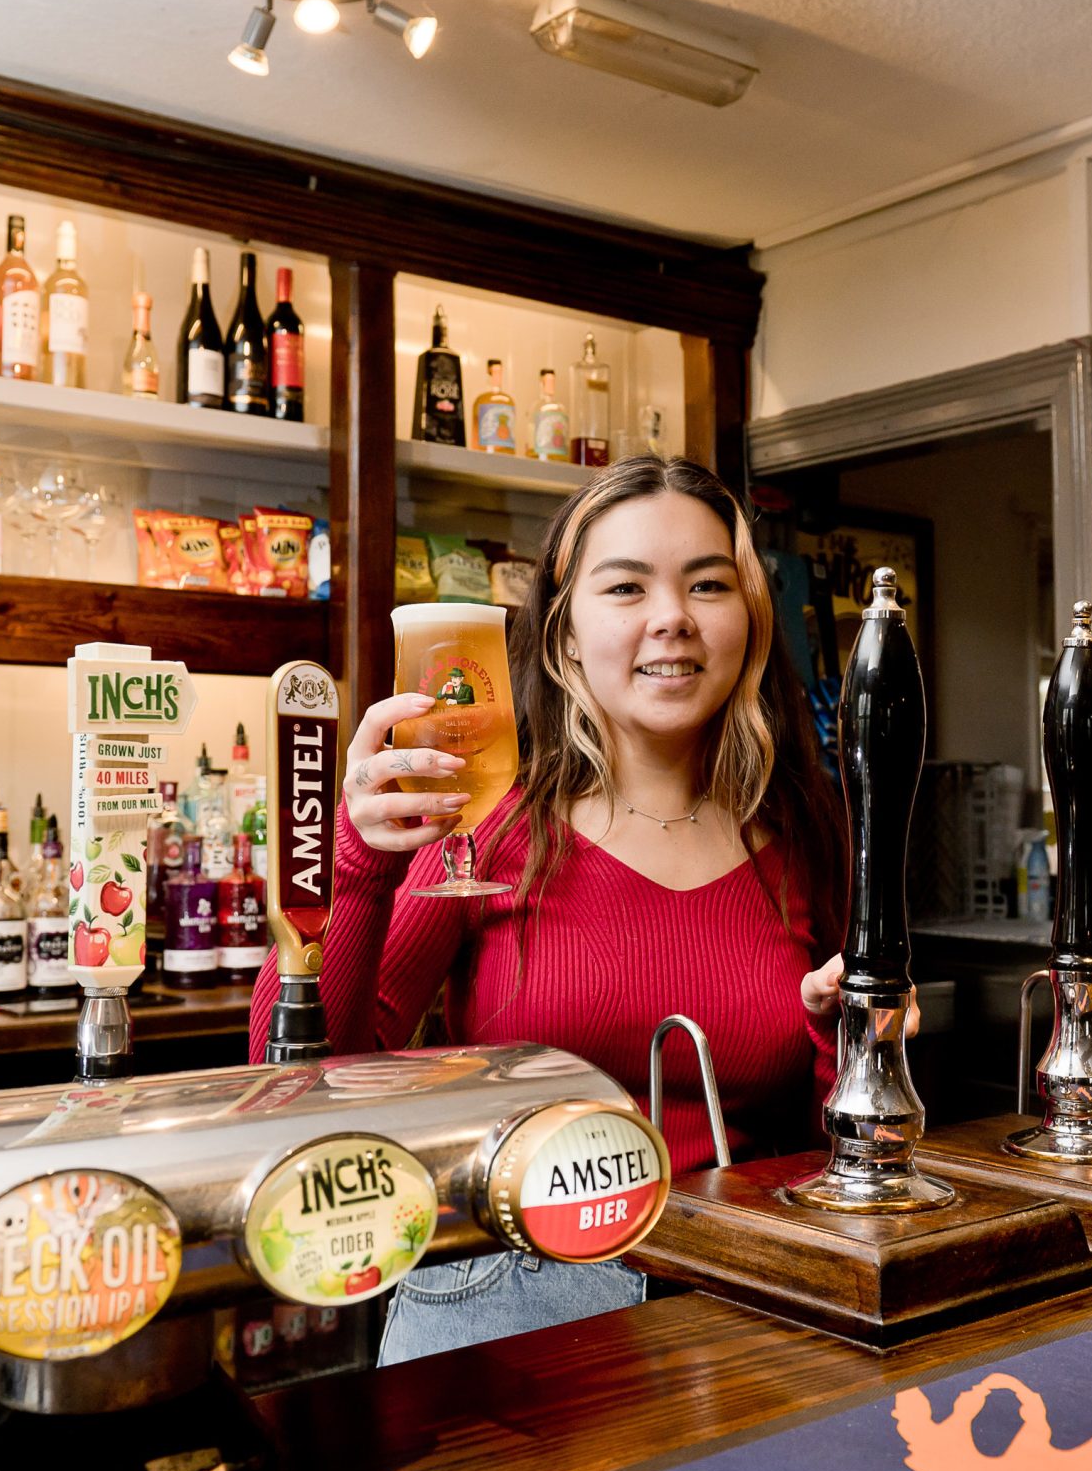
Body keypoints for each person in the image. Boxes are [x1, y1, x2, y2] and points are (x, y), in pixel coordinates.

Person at [249, 456, 860, 1363]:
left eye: (707, 583)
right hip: (507, 1314)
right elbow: (286, 1074)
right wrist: (359, 862)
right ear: (566, 635)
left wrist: (844, 1038)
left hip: (743, 1312)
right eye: (626, 586)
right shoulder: (483, 825)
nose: (673, 619)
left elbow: (834, 1153)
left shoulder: (805, 831)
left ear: (749, 620)